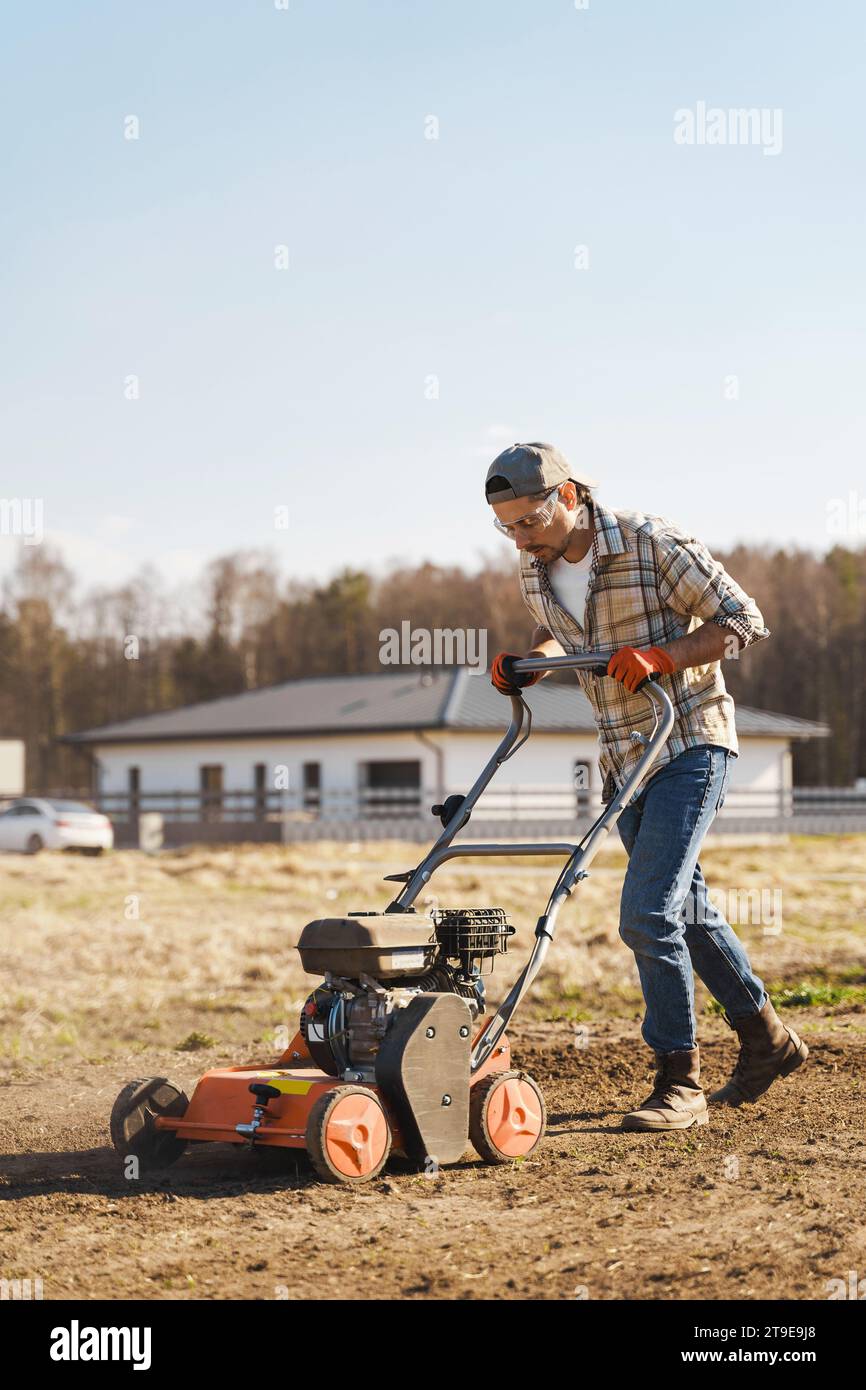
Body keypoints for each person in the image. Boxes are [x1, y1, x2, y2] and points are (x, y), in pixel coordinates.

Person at [486, 441, 808, 1131]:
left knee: (647, 912)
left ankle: (678, 1081)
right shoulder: (534, 567)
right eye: (506, 527)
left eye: (529, 521)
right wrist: (532, 663)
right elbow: (556, 629)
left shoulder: (650, 542)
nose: (520, 538)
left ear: (568, 496)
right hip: (622, 761)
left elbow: (743, 621)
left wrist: (664, 656)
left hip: (689, 739)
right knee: (688, 910)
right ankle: (767, 1040)